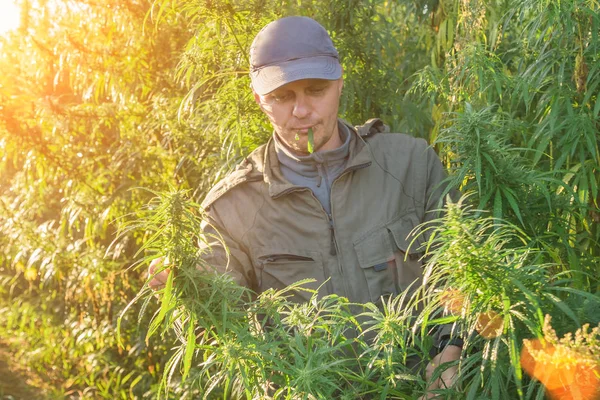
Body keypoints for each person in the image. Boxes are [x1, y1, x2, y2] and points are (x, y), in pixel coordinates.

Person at [149, 15, 461, 397]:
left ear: (340, 83)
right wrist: (188, 293)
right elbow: (223, 325)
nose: (301, 111)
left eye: (316, 90)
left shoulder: (411, 164)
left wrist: (453, 349)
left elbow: (461, 268)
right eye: (282, 96)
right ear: (259, 100)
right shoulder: (232, 209)